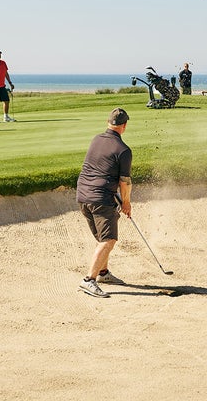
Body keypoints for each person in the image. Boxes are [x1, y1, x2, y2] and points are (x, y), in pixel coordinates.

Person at [75, 107, 132, 298]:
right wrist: (126, 203)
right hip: (101, 199)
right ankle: (88, 280)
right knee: (109, 240)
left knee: (102, 237)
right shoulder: (123, 150)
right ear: (124, 126)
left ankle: (103, 273)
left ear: (109, 123)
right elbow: (125, 183)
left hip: (83, 196)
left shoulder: (96, 139)